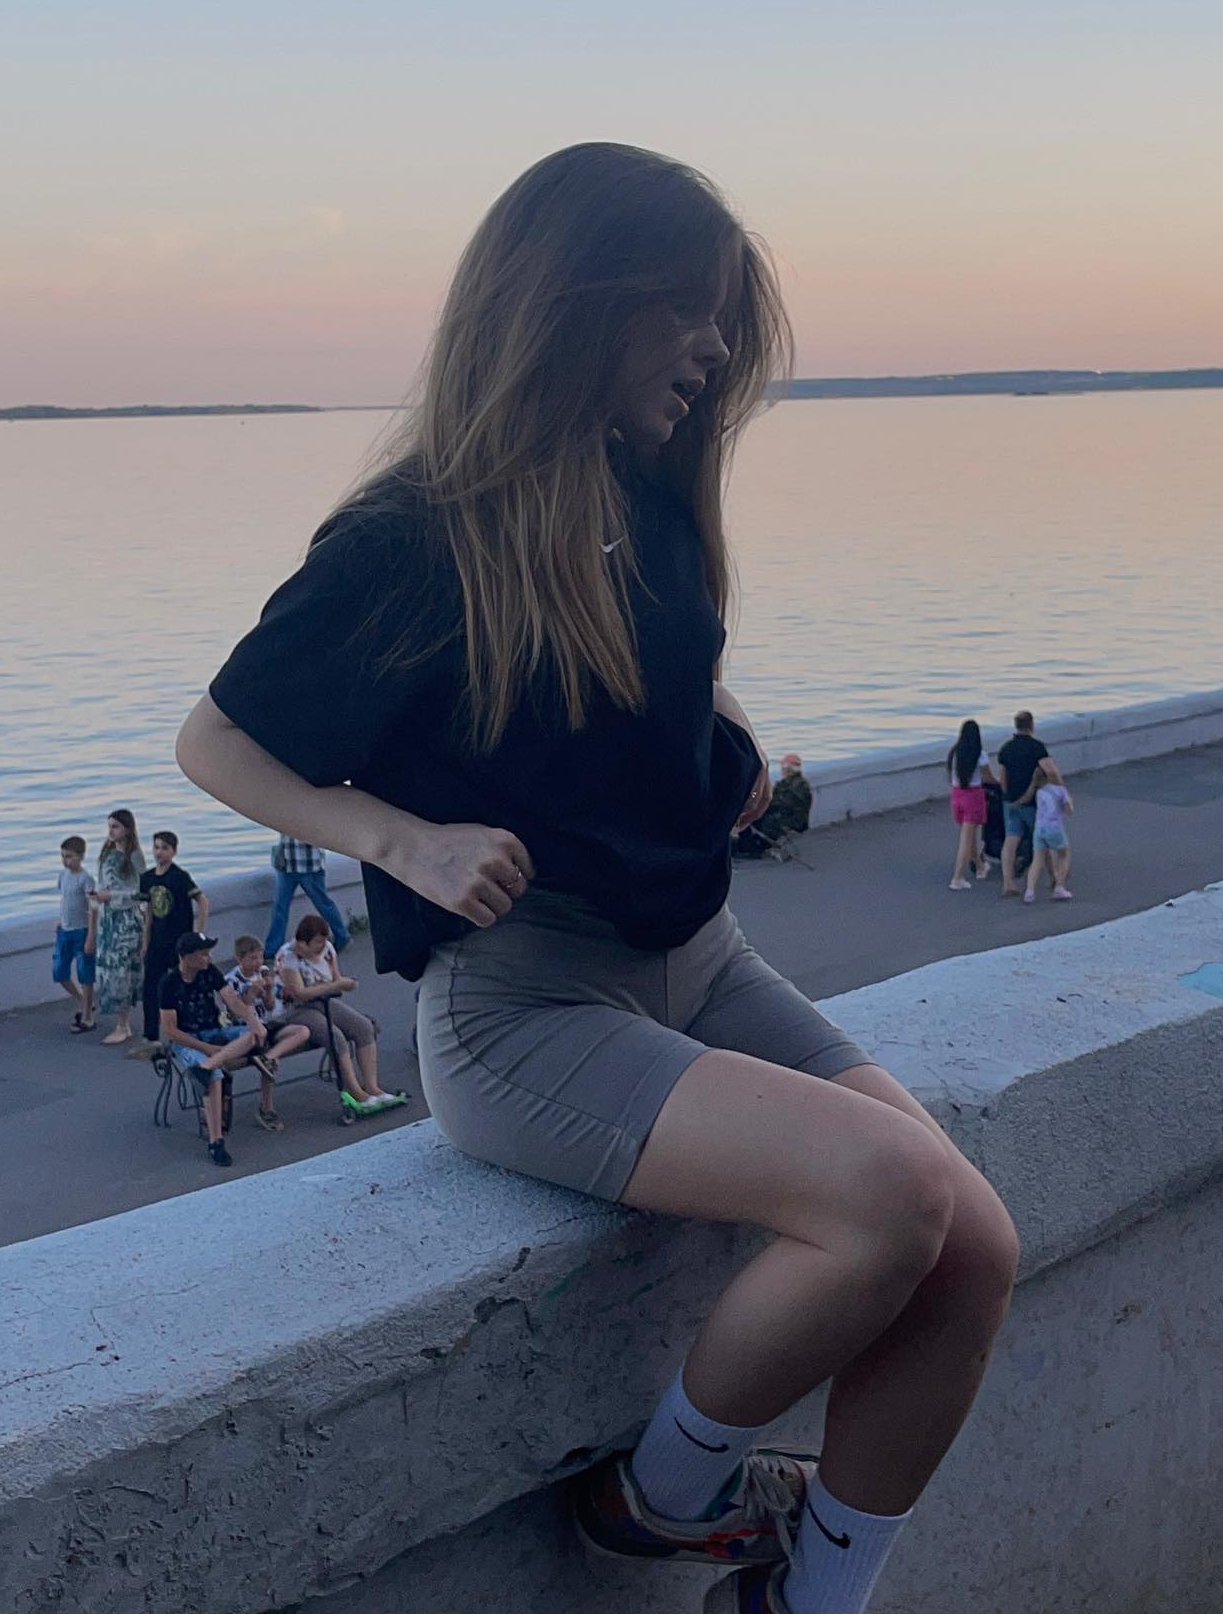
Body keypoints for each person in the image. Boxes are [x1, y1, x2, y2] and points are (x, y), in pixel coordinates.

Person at [178, 142, 1018, 1614]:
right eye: (685, 309)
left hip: (700, 958)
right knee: (890, 1198)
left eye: (723, 319)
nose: (713, 348)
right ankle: (659, 1498)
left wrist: (725, 734)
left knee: (975, 1248)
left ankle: (813, 1600)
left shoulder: (648, 495)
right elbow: (216, 740)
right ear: (572, 303)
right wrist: (404, 841)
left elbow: (652, 671)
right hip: (526, 1010)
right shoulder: (415, 536)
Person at [159, 933, 309, 1166]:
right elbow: (171, 1030)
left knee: (252, 1035)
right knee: (215, 1077)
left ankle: (207, 1066)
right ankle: (216, 1141)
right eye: (203, 954)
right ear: (187, 958)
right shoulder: (169, 983)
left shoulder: (209, 971)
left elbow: (232, 1000)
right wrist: (206, 1047)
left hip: (214, 1031)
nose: (209, 958)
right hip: (188, 1039)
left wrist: (252, 1020)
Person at [274, 916, 401, 1113]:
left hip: (325, 1001)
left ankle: (372, 1086)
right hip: (297, 1009)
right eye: (317, 942)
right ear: (303, 943)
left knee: (363, 1027)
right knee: (336, 1037)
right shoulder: (288, 956)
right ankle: (355, 1092)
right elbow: (300, 993)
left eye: (324, 940)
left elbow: (336, 979)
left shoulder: (327, 949)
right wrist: (335, 986)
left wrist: (345, 984)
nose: (322, 946)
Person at [132, 830, 211, 1060]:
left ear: (174, 851)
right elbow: (148, 913)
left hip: (179, 943)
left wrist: (198, 933)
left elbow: (202, 900)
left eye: (165, 848)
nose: (159, 852)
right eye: (156, 847)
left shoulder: (180, 876)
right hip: (157, 942)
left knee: (182, 986)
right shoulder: (147, 878)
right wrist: (145, 941)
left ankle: (187, 1034)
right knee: (151, 988)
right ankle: (151, 1036)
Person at [223, 935, 305, 1132]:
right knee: (264, 1046)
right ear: (240, 958)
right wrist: (251, 994)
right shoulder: (230, 980)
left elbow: (270, 1007)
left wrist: (268, 991)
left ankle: (269, 1058)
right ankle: (266, 1108)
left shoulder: (262, 974)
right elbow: (234, 1013)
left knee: (302, 1031)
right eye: (252, 958)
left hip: (267, 1024)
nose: (258, 962)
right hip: (246, 1030)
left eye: (260, 957)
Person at [86, 808, 147, 1046]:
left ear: (127, 829)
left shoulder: (134, 856)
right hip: (108, 920)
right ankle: (121, 1022)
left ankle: (123, 1024)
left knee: (123, 971)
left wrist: (111, 896)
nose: (111, 831)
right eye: (109, 826)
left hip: (127, 922)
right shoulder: (107, 854)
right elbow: (102, 885)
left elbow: (141, 892)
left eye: (116, 826)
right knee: (110, 971)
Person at [264, 834, 350, 958]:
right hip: (286, 861)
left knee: (323, 904)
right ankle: (273, 949)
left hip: (309, 864)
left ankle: (342, 936)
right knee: (280, 907)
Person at [995, 710, 1051, 898]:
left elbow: (1003, 777)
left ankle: (1008, 882)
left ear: (1016, 725)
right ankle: (1054, 877)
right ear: (1031, 725)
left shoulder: (1006, 748)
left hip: (1010, 801)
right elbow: (1048, 771)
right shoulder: (1038, 748)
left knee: (1011, 840)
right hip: (1032, 802)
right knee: (1043, 838)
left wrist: (1007, 796)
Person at [52, 835, 97, 1030]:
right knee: (59, 972)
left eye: (69, 856)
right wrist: (61, 921)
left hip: (81, 931)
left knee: (85, 974)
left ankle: (87, 1017)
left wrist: (91, 935)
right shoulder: (63, 876)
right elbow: (65, 900)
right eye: (63, 856)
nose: (65, 860)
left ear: (81, 856)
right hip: (65, 930)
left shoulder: (86, 879)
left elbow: (92, 907)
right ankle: (83, 1000)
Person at [731, 753, 813, 860]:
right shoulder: (800, 783)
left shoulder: (791, 785)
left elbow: (776, 803)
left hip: (788, 823)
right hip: (795, 820)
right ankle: (751, 842)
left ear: (787, 768)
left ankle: (748, 847)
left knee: (748, 816)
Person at [945, 720, 995, 891]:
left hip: (956, 795)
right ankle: (957, 878)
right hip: (973, 797)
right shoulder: (979, 755)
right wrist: (1000, 782)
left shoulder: (954, 753)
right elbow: (988, 777)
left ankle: (980, 866)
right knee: (966, 840)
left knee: (970, 835)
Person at [1017, 760, 1075, 905]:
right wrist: (1068, 801)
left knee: (1037, 861)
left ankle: (1029, 891)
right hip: (1054, 828)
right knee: (1064, 854)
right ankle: (1060, 887)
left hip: (1039, 829)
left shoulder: (1039, 791)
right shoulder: (1060, 790)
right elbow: (1069, 811)